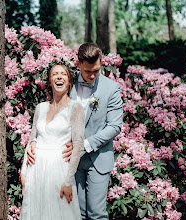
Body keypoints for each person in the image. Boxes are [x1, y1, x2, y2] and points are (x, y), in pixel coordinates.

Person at [27, 43, 123, 219]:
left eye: (96, 70)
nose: (93, 75)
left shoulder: (112, 89)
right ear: (78, 64)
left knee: (96, 214)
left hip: (97, 159)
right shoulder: (66, 83)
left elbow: (115, 126)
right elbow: (49, 116)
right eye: (88, 71)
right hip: (67, 161)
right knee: (74, 213)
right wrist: (34, 141)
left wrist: (84, 145)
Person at [20, 63, 85, 220]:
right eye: (55, 74)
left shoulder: (75, 108)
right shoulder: (40, 108)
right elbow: (32, 139)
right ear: (50, 81)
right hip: (36, 170)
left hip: (59, 170)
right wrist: (23, 172)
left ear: (69, 82)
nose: (59, 76)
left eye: (63, 74)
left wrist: (68, 181)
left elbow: (78, 146)